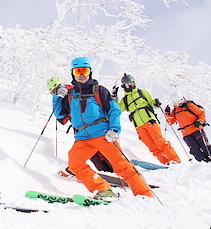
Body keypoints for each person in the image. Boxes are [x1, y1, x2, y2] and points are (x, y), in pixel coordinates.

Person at [52, 58, 154, 200]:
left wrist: (114, 129)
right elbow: (59, 114)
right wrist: (57, 97)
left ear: (90, 72)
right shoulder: (70, 94)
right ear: (73, 74)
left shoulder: (99, 90)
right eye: (78, 71)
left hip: (103, 135)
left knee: (121, 166)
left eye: (85, 70)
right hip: (82, 138)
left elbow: (114, 110)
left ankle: (145, 194)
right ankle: (103, 190)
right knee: (74, 164)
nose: (82, 74)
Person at [47, 76, 113, 176]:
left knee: (106, 151)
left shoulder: (73, 90)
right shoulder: (59, 98)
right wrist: (57, 97)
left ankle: (118, 171)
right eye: (53, 92)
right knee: (93, 155)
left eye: (56, 89)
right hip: (81, 130)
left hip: (98, 126)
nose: (56, 92)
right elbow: (58, 114)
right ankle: (106, 172)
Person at [116, 74, 180, 165]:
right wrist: (114, 97)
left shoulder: (142, 93)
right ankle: (165, 162)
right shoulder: (125, 100)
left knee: (160, 141)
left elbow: (151, 103)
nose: (130, 86)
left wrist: (155, 103)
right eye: (127, 85)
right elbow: (117, 109)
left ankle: (174, 159)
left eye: (131, 83)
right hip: (138, 125)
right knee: (151, 146)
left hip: (149, 120)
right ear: (124, 86)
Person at [165, 92, 211, 164]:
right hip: (186, 134)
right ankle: (204, 161)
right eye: (177, 103)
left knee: (204, 145)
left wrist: (199, 121)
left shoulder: (189, 105)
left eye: (180, 101)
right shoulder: (175, 111)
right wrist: (167, 114)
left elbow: (201, 113)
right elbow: (170, 122)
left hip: (196, 129)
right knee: (194, 150)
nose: (179, 103)